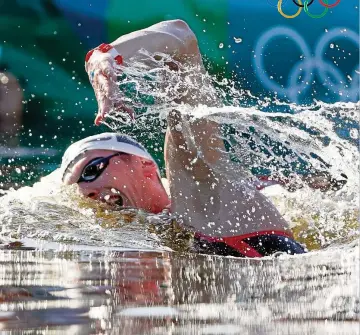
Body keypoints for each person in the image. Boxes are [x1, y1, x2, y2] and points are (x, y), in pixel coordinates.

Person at [61, 20, 336, 257]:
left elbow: (181, 39)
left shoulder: (204, 189)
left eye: (91, 171)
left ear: (144, 165)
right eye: (76, 187)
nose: (88, 192)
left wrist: (104, 57)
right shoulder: (160, 240)